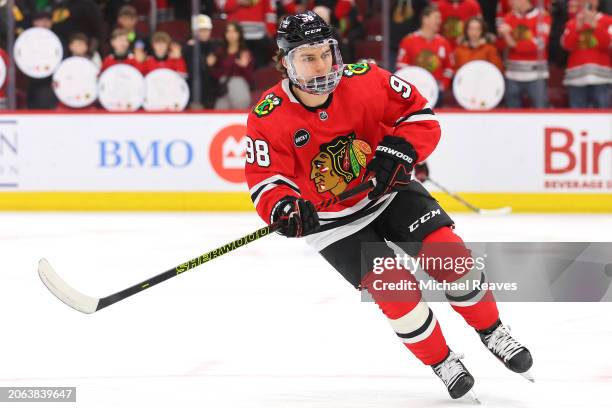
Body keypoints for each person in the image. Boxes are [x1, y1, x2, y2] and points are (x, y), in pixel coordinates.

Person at [245, 11, 534, 401]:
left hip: (389, 193)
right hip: (334, 223)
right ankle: (443, 360)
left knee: (449, 257)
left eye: (325, 53)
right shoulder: (267, 115)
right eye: (306, 57)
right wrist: (284, 208)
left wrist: (402, 147)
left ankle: (492, 330)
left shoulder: (366, 78)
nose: (321, 65)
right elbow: (267, 180)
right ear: (285, 62)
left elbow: (420, 116)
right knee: (396, 291)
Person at [497, 0, 551, 108]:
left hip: (536, 76)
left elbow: (539, 44)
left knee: (541, 110)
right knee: (512, 114)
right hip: (512, 74)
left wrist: (513, 43)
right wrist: (506, 36)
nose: (510, 2)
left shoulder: (542, 17)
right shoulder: (509, 17)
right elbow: (500, 45)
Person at [396, 5, 454, 106]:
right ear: (425, 19)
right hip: (415, 93)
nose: (439, 21)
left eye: (439, 18)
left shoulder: (444, 42)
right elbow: (402, 68)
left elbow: (449, 68)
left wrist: (443, 85)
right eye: (436, 17)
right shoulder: (409, 41)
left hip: (436, 93)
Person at [560, 0, 611, 108]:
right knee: (578, 116)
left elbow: (608, 44)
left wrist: (596, 27)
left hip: (600, 77)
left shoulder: (608, 21)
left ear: (597, 2)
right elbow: (566, 45)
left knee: (602, 115)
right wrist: (577, 28)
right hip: (576, 78)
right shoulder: (572, 22)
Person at [211, 22, 254, 109]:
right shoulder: (219, 52)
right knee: (220, 112)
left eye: (234, 31)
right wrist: (211, 65)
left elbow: (250, 79)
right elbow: (215, 75)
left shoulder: (244, 53)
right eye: (228, 31)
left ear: (239, 34)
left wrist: (244, 67)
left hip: (239, 86)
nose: (231, 34)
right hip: (223, 88)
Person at [183, 14, 220, 109]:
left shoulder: (215, 46)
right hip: (194, 91)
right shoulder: (189, 48)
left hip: (212, 91)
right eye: (201, 30)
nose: (204, 33)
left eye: (206, 30)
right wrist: (205, 63)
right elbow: (192, 71)